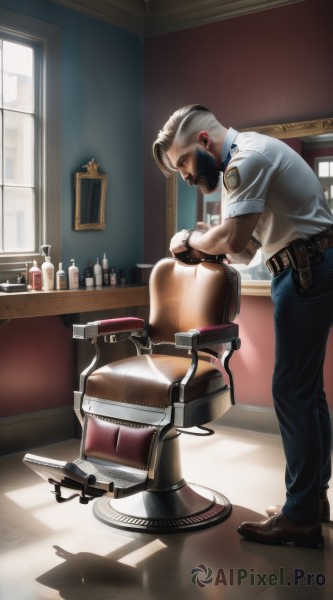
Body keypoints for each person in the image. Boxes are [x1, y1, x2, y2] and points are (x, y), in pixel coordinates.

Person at [152, 104, 333, 548]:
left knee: (292, 391)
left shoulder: (245, 160)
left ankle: (300, 517)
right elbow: (247, 249)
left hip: (304, 270)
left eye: (183, 165)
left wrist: (189, 239)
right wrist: (206, 243)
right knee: (308, 392)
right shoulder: (253, 154)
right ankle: (310, 502)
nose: (187, 178)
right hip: (305, 266)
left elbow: (231, 241)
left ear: (204, 143)